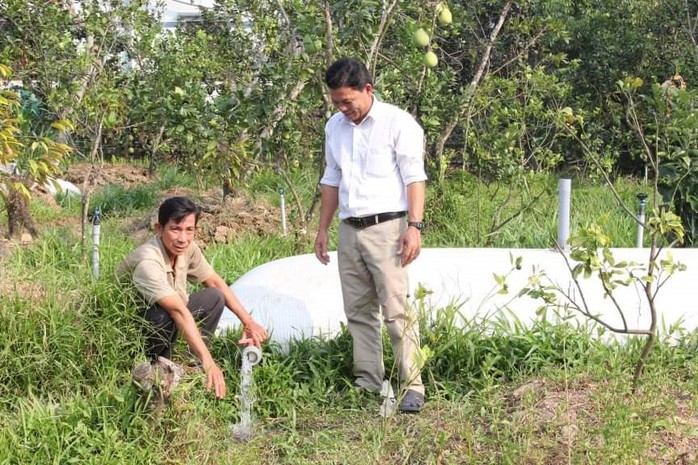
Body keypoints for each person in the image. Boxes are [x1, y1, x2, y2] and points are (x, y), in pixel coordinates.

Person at [314, 57, 427, 413]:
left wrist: (415, 226)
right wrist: (323, 229)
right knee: (359, 311)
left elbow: (414, 177)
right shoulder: (335, 127)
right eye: (337, 102)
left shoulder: (398, 123)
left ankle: (413, 385)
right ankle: (368, 382)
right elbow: (331, 179)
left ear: (368, 89)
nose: (344, 109)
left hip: (388, 228)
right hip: (350, 230)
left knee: (396, 309)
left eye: (348, 101)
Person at [119, 196, 268, 399]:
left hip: (171, 311)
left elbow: (214, 282)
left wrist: (248, 322)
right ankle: (158, 367)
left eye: (189, 230)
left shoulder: (187, 248)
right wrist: (210, 363)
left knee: (214, 297)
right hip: (132, 328)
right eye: (175, 229)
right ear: (159, 229)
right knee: (162, 313)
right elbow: (177, 311)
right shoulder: (148, 262)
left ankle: (190, 364)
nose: (182, 238)